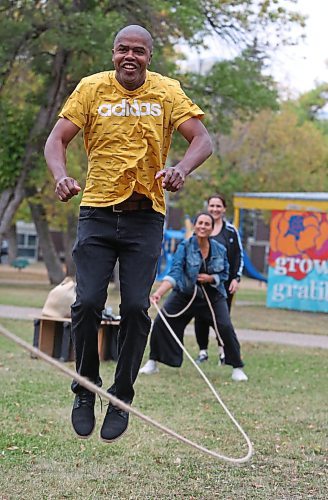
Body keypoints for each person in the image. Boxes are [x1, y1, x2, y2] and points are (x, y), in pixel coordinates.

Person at [44, 24, 212, 442]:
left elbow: (203, 140)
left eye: (139, 51)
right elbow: (56, 140)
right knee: (86, 304)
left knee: (136, 307)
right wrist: (60, 176)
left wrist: (181, 169)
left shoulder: (167, 91)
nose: (130, 57)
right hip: (98, 211)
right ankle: (85, 387)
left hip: (145, 216)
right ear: (113, 53)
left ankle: (121, 396)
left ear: (149, 57)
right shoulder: (91, 89)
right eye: (123, 50)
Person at [139, 212, 248, 382]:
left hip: (213, 296)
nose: (203, 227)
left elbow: (225, 273)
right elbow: (174, 272)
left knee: (225, 326)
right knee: (162, 321)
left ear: (212, 229)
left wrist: (211, 278)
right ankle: (153, 361)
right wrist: (159, 293)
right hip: (185, 293)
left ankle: (237, 367)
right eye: (200, 223)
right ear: (195, 226)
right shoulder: (185, 246)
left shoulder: (220, 249)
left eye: (207, 224)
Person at [194, 194, 244, 365]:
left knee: (222, 320)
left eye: (218, 206)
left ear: (224, 209)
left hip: (223, 284)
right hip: (201, 283)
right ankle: (203, 351)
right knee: (200, 317)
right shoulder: (200, 228)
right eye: (212, 206)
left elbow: (238, 256)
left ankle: (223, 351)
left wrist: (236, 278)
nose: (215, 209)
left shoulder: (231, 231)